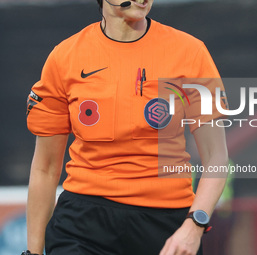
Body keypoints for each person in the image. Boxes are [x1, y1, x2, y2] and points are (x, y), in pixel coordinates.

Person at [24, 0, 229, 254]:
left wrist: (193, 226)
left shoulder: (190, 52)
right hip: (82, 224)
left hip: (166, 223)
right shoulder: (64, 57)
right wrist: (32, 252)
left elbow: (216, 157)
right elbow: (45, 168)